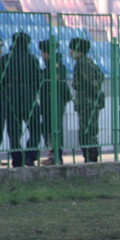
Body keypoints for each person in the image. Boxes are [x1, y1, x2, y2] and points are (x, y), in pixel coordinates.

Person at [1, 32, 43, 167]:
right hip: (28, 97)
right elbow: (39, 80)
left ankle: (17, 159)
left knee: (13, 131)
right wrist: (33, 92)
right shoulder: (32, 59)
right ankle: (30, 155)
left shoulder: (4, 59)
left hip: (10, 98)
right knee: (36, 127)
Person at [69, 38, 105, 163]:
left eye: (72, 50)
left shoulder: (83, 64)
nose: (70, 52)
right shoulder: (87, 62)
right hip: (89, 102)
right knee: (89, 131)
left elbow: (92, 83)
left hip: (87, 103)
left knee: (87, 132)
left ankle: (91, 158)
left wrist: (95, 97)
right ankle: (91, 157)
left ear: (79, 51)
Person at [39, 39, 72, 166]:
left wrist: (64, 98)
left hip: (54, 102)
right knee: (47, 128)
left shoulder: (56, 66)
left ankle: (56, 156)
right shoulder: (51, 65)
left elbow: (61, 85)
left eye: (43, 52)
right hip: (49, 102)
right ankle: (53, 154)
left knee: (54, 129)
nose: (42, 55)